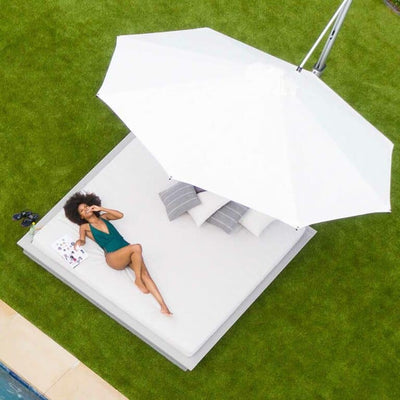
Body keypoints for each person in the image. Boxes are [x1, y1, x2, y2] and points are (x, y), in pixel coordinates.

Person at [64, 192, 172, 315]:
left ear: (91, 206)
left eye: (86, 207)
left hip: (126, 249)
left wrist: (101, 208)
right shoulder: (84, 227)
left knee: (145, 274)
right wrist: (79, 242)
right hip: (113, 256)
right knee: (137, 247)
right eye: (82, 211)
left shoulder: (104, 217)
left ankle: (164, 307)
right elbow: (82, 240)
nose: (86, 210)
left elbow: (120, 215)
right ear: (81, 216)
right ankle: (137, 280)